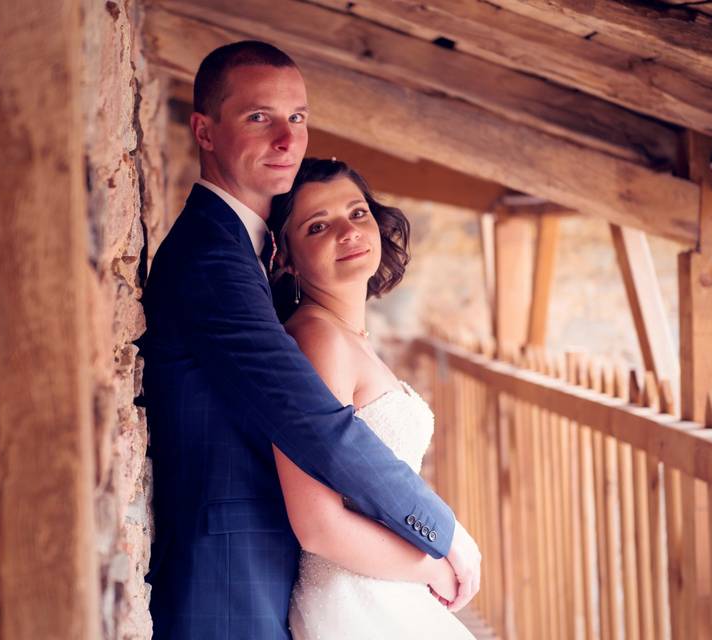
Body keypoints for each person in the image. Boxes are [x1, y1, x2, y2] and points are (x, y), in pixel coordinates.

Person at [138, 40, 480, 639]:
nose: (286, 139)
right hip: (225, 574)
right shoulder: (211, 258)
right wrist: (441, 533)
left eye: (296, 118)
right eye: (258, 117)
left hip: (270, 570)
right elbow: (316, 424)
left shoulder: (244, 248)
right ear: (204, 130)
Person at [267, 157, 476, 638]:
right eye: (318, 225)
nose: (348, 231)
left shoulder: (349, 336)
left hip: (385, 588)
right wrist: (431, 565)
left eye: (357, 213)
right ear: (286, 256)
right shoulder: (317, 341)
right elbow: (317, 526)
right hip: (355, 599)